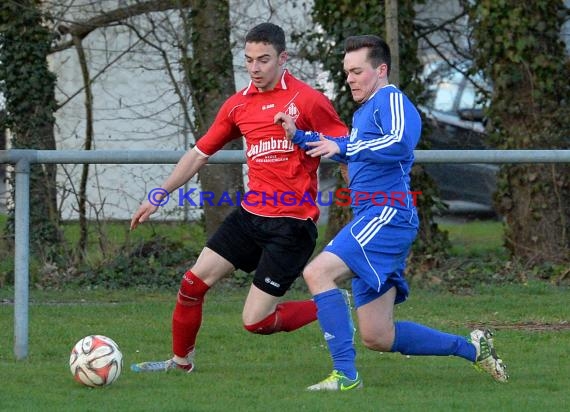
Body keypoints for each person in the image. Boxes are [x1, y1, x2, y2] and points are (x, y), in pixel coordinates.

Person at [274, 34, 508, 391]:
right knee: (378, 335)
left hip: (387, 213)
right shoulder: (364, 110)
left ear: (380, 70)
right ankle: (473, 348)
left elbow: (398, 142)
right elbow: (353, 150)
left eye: (357, 71)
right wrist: (300, 136)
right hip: (373, 216)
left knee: (317, 272)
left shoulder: (391, 99)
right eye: (346, 72)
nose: (349, 78)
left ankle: (345, 377)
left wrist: (344, 144)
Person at [130, 22, 348, 373]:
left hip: (292, 226)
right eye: (248, 60)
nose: (255, 68)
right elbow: (198, 153)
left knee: (255, 322)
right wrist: (159, 194)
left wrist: (351, 177)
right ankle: (180, 363)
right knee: (191, 283)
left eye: (263, 60)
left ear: (282, 58)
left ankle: (333, 304)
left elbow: (347, 146)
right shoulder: (237, 105)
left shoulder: (308, 100)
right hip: (250, 217)